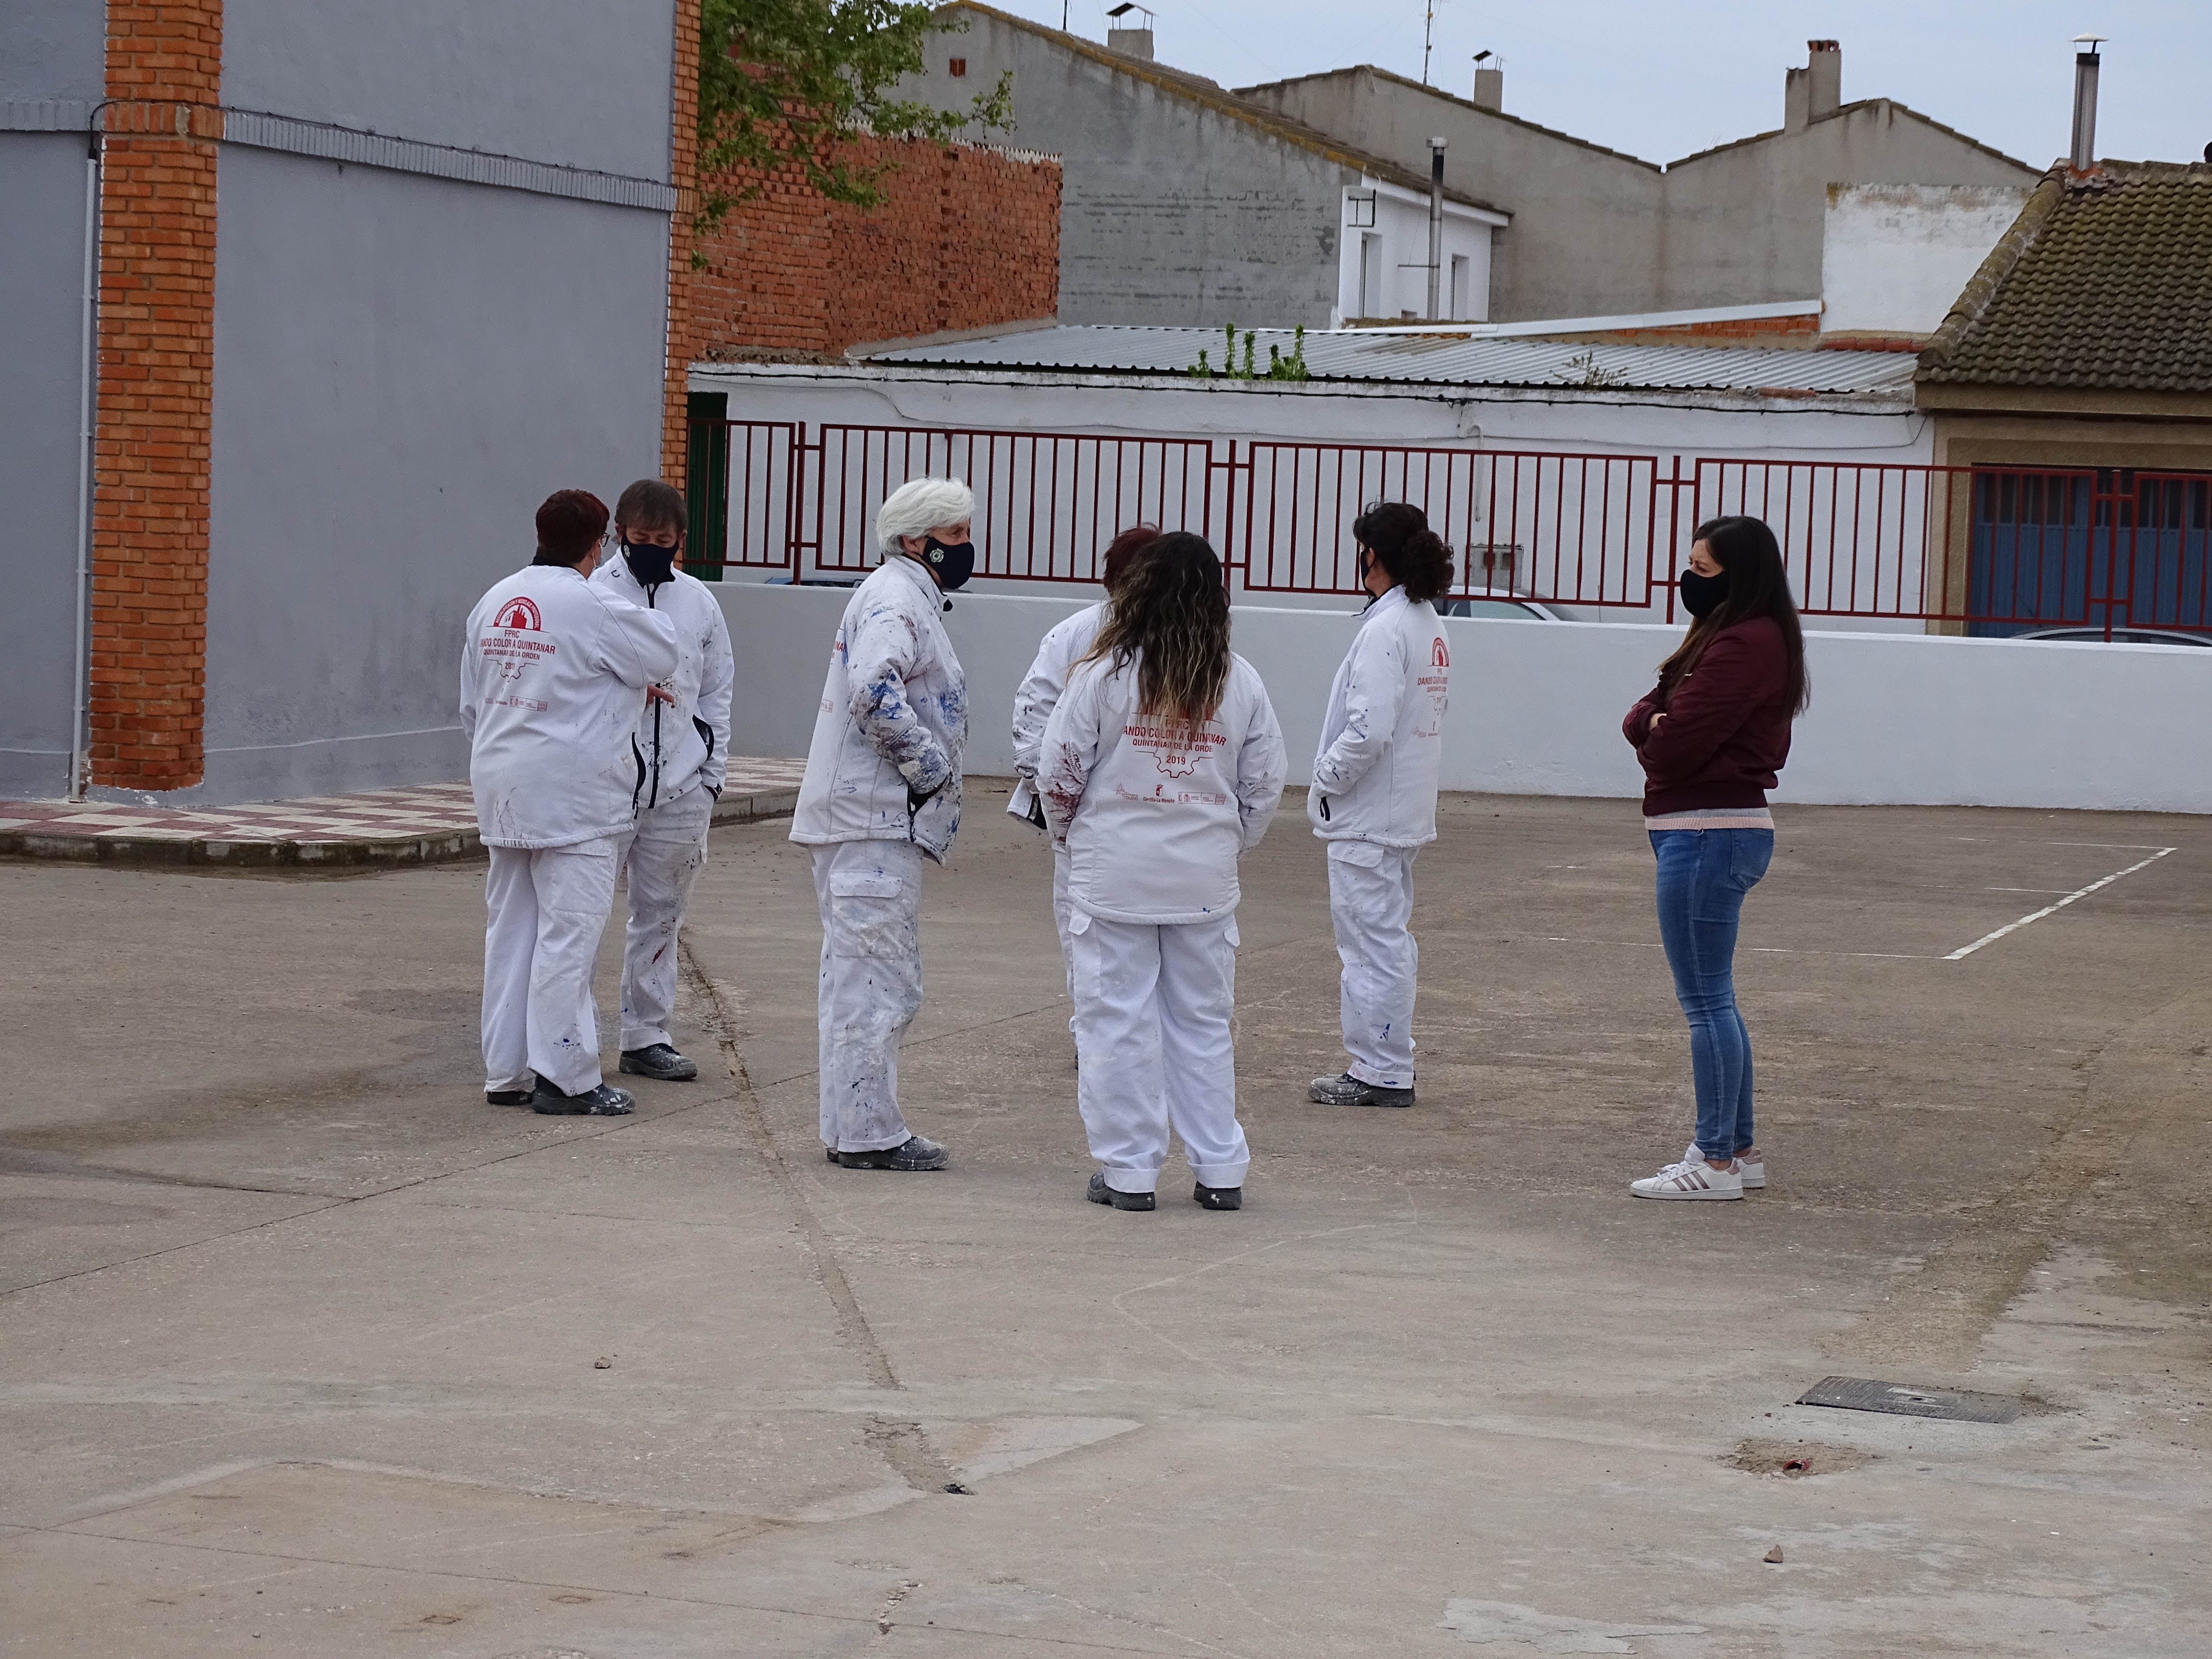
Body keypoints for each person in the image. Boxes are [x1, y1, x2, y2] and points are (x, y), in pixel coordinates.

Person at [1039, 531, 1286, 1213]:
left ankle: (1129, 1174)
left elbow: (1057, 775)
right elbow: (1265, 786)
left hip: (1112, 876)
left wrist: (1073, 840)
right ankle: (1220, 1171)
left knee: (1115, 1022)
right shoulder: (1240, 679)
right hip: (1203, 883)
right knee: (1203, 1023)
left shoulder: (1102, 675)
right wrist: (1225, 843)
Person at [461, 489, 680, 1116]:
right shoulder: (595, 604)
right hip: (577, 799)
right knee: (568, 937)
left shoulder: (494, 601)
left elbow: (472, 705)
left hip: (503, 787)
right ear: (600, 542)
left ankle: (507, 1072)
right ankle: (566, 1078)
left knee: (510, 934)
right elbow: (660, 653)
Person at [1620, 515, 1809, 1199]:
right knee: (1716, 1001)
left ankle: (1716, 1160)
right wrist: (1654, 721)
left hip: (1708, 830)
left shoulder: (1743, 647)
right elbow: (1645, 714)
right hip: (1704, 829)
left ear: (1740, 574)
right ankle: (1740, 1151)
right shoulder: (1729, 637)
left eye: (1702, 570)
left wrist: (1657, 728)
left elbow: (1672, 744)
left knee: (1705, 1004)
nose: (1688, 581)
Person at [790, 476, 975, 1172]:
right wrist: (927, 770)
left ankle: (856, 1124)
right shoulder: (897, 600)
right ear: (913, 540)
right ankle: (868, 1131)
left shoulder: (903, 598)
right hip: (871, 817)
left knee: (855, 978)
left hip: (867, 816)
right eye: (953, 535)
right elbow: (873, 691)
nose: (965, 546)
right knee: (877, 981)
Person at [1305, 502, 1454, 1110]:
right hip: (1402, 810)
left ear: (1371, 554)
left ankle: (1380, 1068)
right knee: (1386, 940)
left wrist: (1325, 779)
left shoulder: (1385, 629)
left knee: (1369, 947)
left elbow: (1368, 729)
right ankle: (1383, 1062)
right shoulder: (1427, 622)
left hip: (1369, 816)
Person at [590, 478, 735, 1085]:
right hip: (606, 787)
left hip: (680, 789)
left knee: (662, 915)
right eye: (641, 538)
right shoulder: (593, 595)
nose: (652, 547)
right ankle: (559, 1042)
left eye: (665, 540)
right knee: (581, 917)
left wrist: (711, 775)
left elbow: (718, 689)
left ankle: (647, 1036)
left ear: (681, 540)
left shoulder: (699, 603)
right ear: (620, 533)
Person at [1008, 523, 1164, 993]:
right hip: (1086, 816)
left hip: (1156, 811)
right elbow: (1033, 716)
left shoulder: (1177, 639)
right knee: (1086, 931)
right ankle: (1091, 1030)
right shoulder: (1077, 636)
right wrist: (1059, 801)